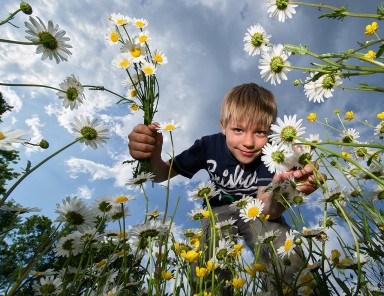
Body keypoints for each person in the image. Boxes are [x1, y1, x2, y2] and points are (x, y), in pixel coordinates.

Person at [128, 83, 322, 294]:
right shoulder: (208, 145)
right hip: (216, 209)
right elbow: (161, 174)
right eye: (238, 129)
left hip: (256, 208)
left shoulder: (272, 156)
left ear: (271, 132)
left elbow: (268, 210)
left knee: (282, 249)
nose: (248, 142)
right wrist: (153, 155)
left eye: (259, 132)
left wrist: (282, 193)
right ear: (223, 126)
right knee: (208, 260)